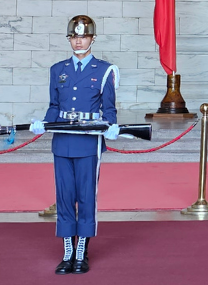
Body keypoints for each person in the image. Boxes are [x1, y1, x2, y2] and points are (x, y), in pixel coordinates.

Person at [29, 15, 119, 275]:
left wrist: (110, 127)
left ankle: (82, 252)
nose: (79, 41)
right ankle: (68, 251)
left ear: (92, 39)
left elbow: (109, 109)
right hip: (63, 142)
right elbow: (55, 106)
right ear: (70, 39)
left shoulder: (104, 70)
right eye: (74, 37)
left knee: (86, 198)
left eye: (84, 36)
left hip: (89, 143)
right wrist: (44, 123)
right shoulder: (58, 69)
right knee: (64, 198)